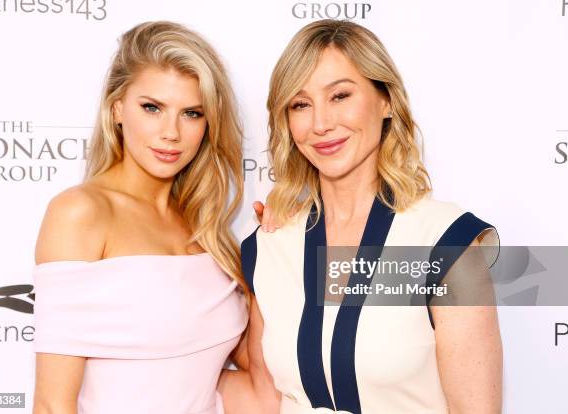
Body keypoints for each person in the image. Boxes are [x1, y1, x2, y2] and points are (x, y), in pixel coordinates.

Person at [220, 19, 503, 414]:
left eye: (340, 96)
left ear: (385, 100)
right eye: (301, 105)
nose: (321, 123)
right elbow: (261, 396)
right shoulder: (269, 245)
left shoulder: (445, 242)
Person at [32, 21, 248, 414]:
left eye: (192, 113)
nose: (171, 132)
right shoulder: (82, 213)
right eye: (152, 108)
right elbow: (51, 404)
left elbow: (257, 371)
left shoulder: (207, 229)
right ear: (117, 109)